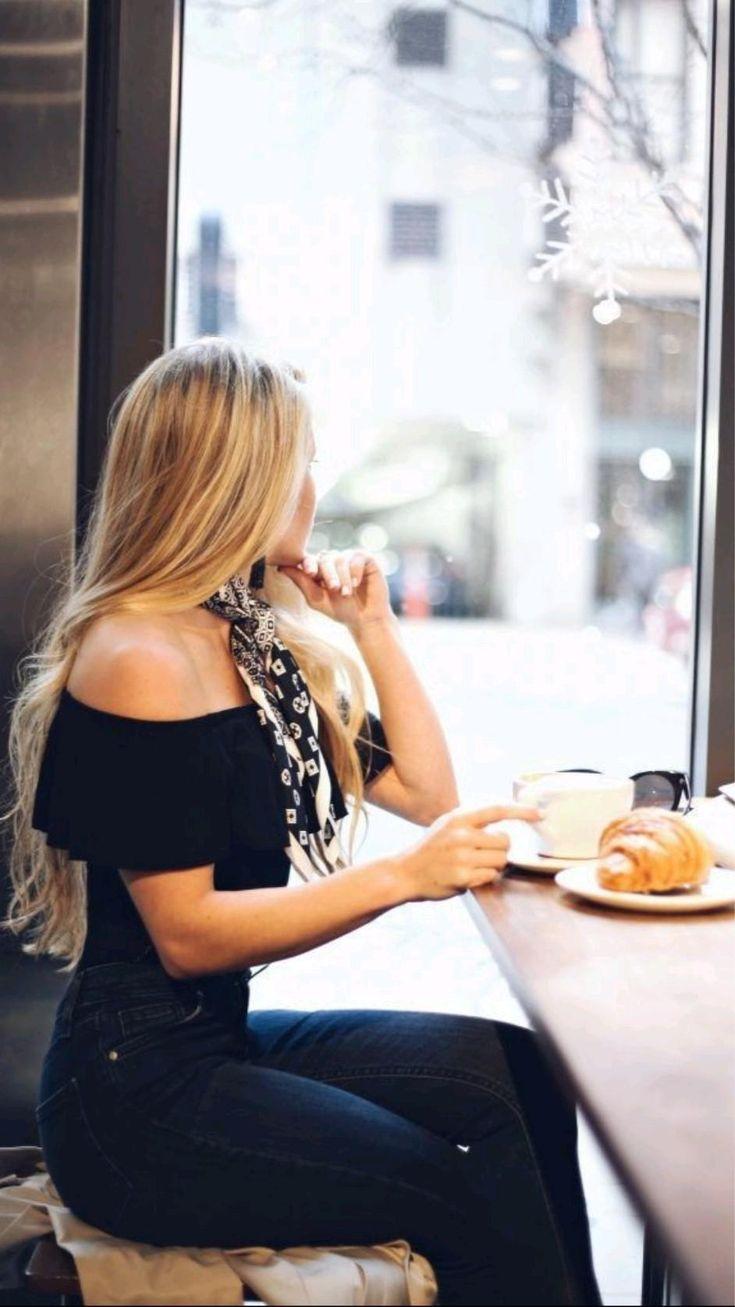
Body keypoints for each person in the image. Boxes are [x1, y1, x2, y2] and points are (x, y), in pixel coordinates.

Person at [1, 337, 602, 1306]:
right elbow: (189, 936)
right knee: (456, 1194)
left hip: (211, 1040)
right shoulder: (140, 653)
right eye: (301, 461)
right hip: (133, 1097)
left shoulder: (240, 633)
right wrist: (402, 877)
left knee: (517, 1077)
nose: (314, 488)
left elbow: (426, 793)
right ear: (238, 478)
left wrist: (373, 627)